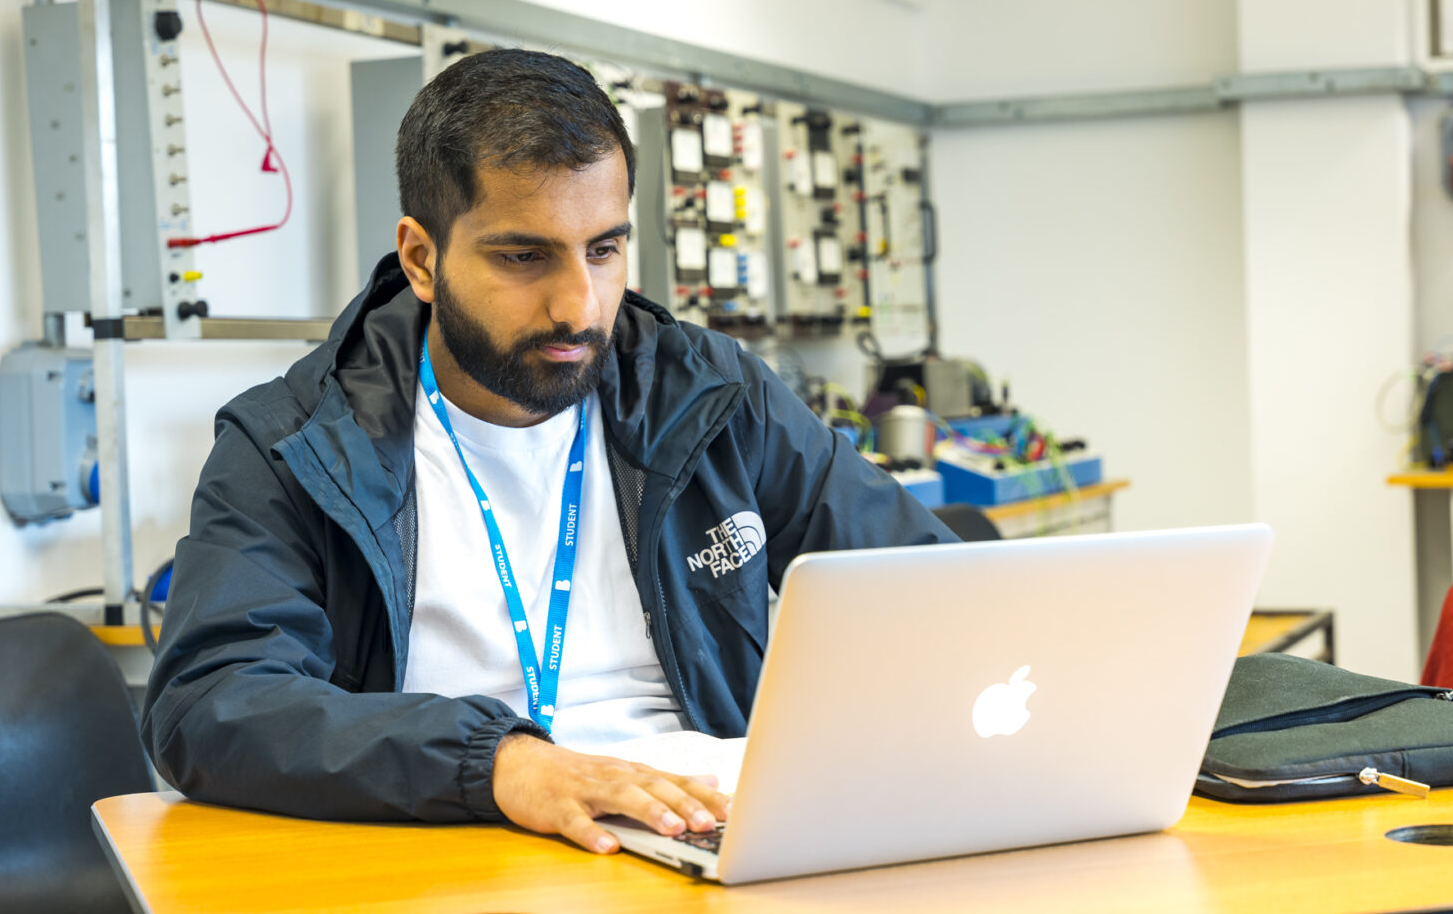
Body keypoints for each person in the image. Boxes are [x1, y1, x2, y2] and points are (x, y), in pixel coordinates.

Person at [141, 49, 955, 856]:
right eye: (524, 257)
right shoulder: (295, 443)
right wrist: (495, 763)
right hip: (450, 835)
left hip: (696, 833)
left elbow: (938, 596)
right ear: (422, 258)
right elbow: (209, 702)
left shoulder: (712, 395)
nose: (578, 306)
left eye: (604, 250)